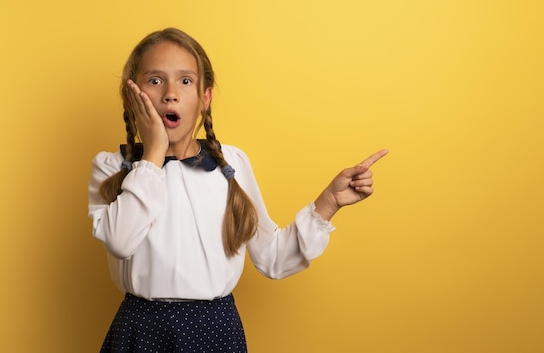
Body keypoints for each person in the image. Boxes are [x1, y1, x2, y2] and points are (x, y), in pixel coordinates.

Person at [88, 27, 388, 353]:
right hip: (141, 331)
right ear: (133, 94)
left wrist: (329, 202)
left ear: (205, 97)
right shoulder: (111, 165)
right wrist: (154, 153)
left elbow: (273, 258)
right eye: (155, 80)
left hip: (216, 331)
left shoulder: (231, 163)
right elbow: (120, 240)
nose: (170, 93)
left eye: (185, 81)